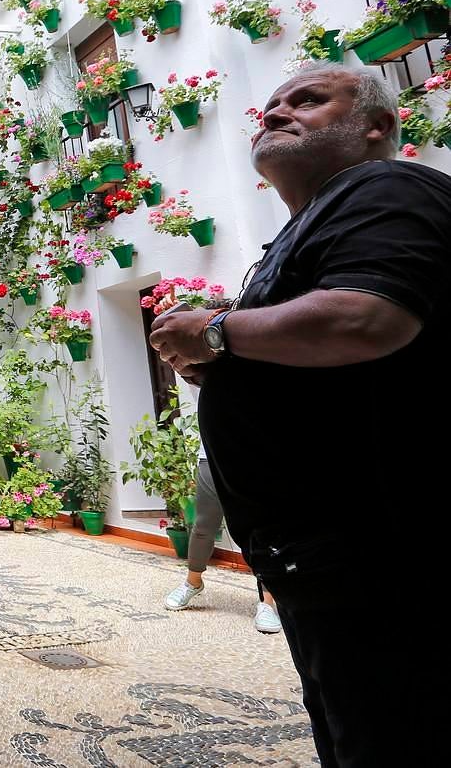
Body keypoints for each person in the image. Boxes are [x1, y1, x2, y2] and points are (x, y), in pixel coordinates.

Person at [148, 63, 448, 766]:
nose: (275, 112)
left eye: (307, 101)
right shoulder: (310, 225)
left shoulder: (383, 186)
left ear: (375, 126)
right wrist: (222, 360)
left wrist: (215, 332)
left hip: (385, 560)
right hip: (327, 563)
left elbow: (365, 319)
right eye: (271, 104)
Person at [161, 459, 281, 635]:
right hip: (211, 456)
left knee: (262, 528)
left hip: (255, 454)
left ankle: (267, 603)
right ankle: (192, 582)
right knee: (203, 526)